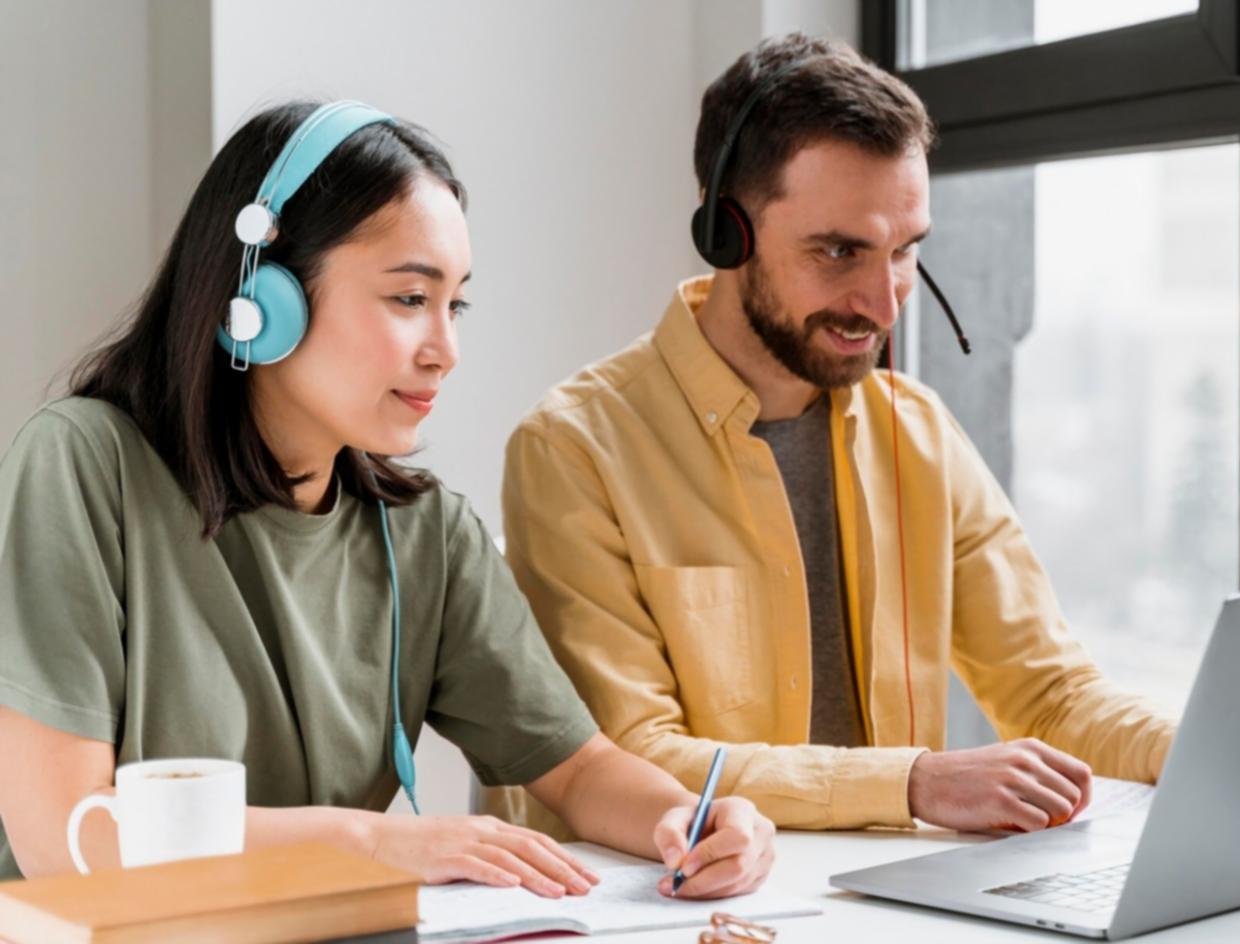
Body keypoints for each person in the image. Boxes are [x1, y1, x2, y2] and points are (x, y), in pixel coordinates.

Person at [0, 101, 774, 899]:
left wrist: (690, 820)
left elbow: (577, 770)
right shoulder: (83, 465)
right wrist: (370, 842)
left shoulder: (426, 533)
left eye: (454, 305)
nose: (446, 351)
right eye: (410, 299)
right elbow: (63, 836)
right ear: (262, 299)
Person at [487, 35, 1177, 840]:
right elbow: (632, 760)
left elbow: (1052, 696)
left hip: (882, 892)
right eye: (840, 251)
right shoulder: (575, 450)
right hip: (689, 897)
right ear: (726, 232)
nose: (883, 304)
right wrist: (912, 783)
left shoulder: (917, 433)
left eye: (904, 252)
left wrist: (1204, 749)